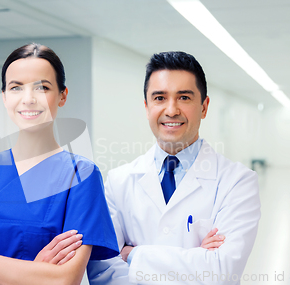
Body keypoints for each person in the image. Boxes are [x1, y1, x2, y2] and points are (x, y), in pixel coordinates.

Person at [0, 43, 119, 285]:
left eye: (42, 87)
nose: (28, 99)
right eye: (16, 87)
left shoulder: (81, 176)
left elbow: (64, 280)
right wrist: (34, 274)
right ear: (4, 97)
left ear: (62, 96)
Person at [87, 51, 261, 284]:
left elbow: (222, 271)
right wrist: (197, 257)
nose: (171, 110)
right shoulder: (117, 182)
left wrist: (133, 255)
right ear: (147, 107)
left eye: (184, 98)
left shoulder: (238, 181)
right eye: (159, 98)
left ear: (204, 107)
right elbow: (104, 272)